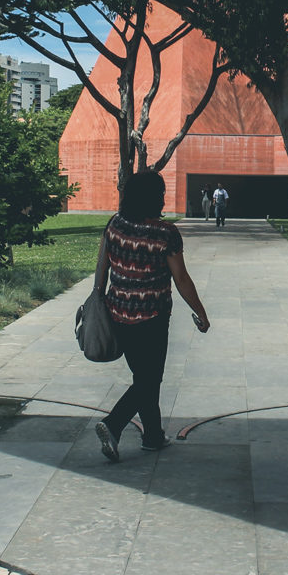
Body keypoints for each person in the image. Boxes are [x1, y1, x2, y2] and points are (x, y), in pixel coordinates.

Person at [94, 170, 209, 462]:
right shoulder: (164, 233)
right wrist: (200, 311)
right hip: (152, 317)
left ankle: (153, 436)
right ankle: (113, 424)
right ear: (154, 197)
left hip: (118, 314)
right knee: (149, 379)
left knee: (144, 376)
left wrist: (98, 295)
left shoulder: (115, 224)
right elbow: (181, 278)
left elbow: (102, 265)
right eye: (161, 193)